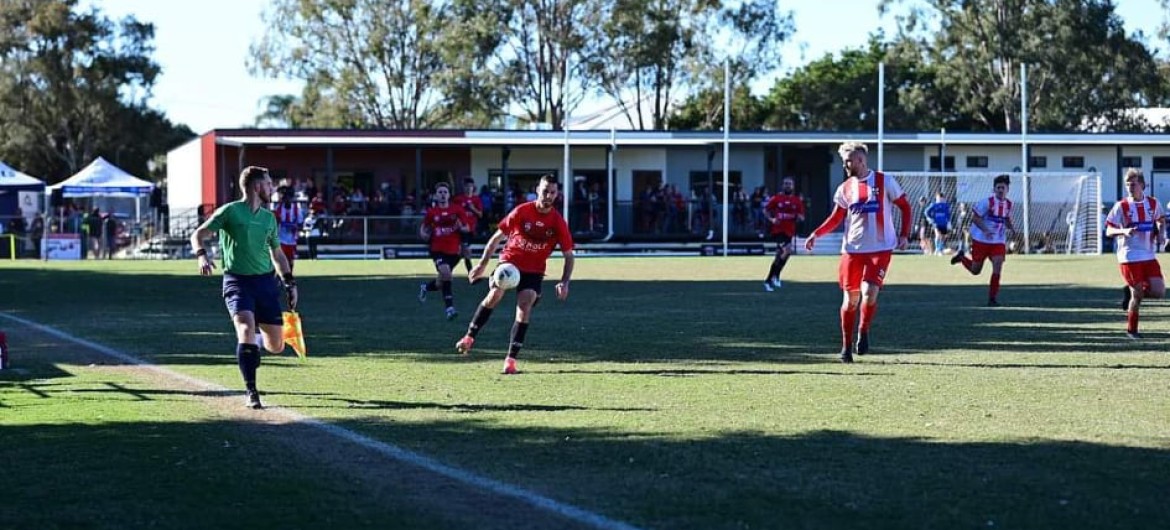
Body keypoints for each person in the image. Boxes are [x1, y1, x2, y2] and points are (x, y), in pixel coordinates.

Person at [190, 166, 297, 410]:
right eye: (269, 184)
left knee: (277, 346)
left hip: (266, 284)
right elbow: (198, 234)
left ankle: (254, 346)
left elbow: (277, 253)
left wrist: (290, 282)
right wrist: (202, 256)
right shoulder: (230, 212)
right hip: (237, 282)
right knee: (245, 328)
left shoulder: (269, 218)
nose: (272, 188)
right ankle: (251, 390)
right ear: (258, 187)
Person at [455, 174, 575, 375]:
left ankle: (510, 361)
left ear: (557, 194)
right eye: (545, 191)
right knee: (494, 295)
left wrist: (565, 282)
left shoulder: (557, 222)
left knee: (525, 305)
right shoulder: (521, 211)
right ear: (537, 190)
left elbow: (569, 256)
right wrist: (482, 265)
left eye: (552, 192)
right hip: (509, 263)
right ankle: (469, 337)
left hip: (534, 270)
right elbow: (495, 239)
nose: (548, 195)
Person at [804, 142, 911, 363]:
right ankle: (846, 347)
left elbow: (905, 207)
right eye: (844, 161)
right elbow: (836, 218)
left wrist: (904, 235)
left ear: (861, 161)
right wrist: (816, 233)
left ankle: (863, 330)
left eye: (848, 161)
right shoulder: (845, 188)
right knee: (850, 300)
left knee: (870, 292)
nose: (845, 164)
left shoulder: (885, 181)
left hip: (880, 249)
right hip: (852, 250)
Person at [1106, 169, 1165, 338]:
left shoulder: (1153, 204)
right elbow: (1109, 230)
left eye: (1133, 184)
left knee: (1159, 292)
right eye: (1127, 184)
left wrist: (1161, 234)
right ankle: (1132, 331)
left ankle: (1129, 290)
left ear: (1143, 185)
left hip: (1149, 255)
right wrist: (1123, 231)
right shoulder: (1121, 206)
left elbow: (1160, 220)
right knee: (1137, 295)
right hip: (1129, 256)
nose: (1130, 187)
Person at [950, 174, 1015, 306]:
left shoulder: (1008, 204)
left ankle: (992, 299)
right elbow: (975, 218)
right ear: (994, 189)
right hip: (981, 240)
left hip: (998, 241)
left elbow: (1006, 217)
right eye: (998, 188)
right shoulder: (987, 202)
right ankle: (962, 258)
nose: (1000, 190)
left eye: (1003, 187)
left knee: (998, 265)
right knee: (976, 270)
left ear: (1007, 189)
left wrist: (1012, 228)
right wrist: (986, 230)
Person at [417, 182, 468, 320]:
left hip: (454, 252)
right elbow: (424, 227)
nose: (442, 194)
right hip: (437, 249)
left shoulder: (457, 210)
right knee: (447, 274)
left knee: (440, 283)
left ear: (449, 194)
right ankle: (450, 309)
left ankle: (425, 287)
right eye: (440, 192)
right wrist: (424, 235)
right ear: (435, 195)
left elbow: (466, 228)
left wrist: (460, 227)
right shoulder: (432, 212)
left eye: (445, 192)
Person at [762, 176, 805, 291]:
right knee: (787, 250)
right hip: (778, 231)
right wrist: (772, 220)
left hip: (789, 231)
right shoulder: (777, 198)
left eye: (789, 184)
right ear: (782, 185)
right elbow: (765, 210)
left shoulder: (797, 201)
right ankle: (771, 279)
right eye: (785, 183)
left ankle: (772, 278)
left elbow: (802, 217)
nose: (787, 186)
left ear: (793, 186)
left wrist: (798, 217)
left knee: (780, 256)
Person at [453, 177, 484, 274]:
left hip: (471, 229)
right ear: (464, 187)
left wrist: (473, 208)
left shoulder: (476, 199)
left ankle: (448, 267)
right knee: (465, 250)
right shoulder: (458, 199)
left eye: (470, 186)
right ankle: (471, 273)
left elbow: (480, 214)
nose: (469, 188)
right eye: (467, 186)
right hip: (461, 229)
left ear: (473, 187)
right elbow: (453, 213)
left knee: (462, 252)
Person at [273, 186, 305, 270]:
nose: (287, 200)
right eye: (285, 198)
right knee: (281, 259)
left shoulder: (296, 209)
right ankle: (282, 275)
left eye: (288, 198)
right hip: (281, 238)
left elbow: (301, 224)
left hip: (292, 239)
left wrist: (295, 227)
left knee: (290, 259)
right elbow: (274, 223)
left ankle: (289, 275)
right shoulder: (278, 208)